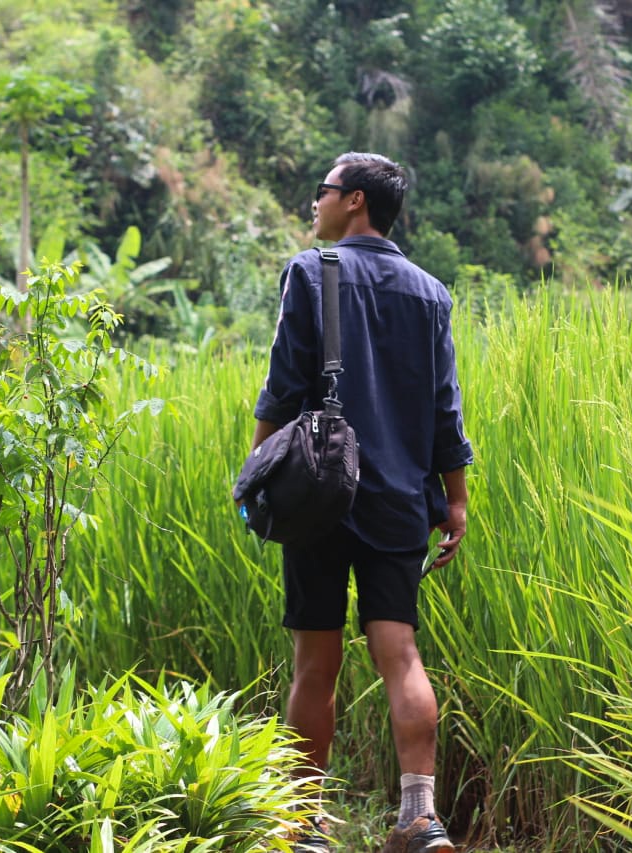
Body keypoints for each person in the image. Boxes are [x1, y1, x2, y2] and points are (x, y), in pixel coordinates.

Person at [246, 152, 473, 852]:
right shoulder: (431, 292)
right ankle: (419, 817)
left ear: (354, 202)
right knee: (399, 651)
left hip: (319, 489)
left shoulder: (313, 272)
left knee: (316, 660)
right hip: (402, 497)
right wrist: (455, 500)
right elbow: (445, 410)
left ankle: (305, 824)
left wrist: (258, 468)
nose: (314, 205)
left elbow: (285, 385)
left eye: (322, 192)